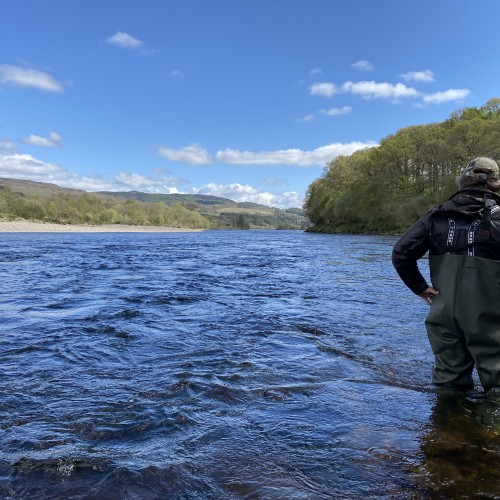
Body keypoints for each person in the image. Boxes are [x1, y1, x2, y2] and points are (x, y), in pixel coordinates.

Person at [392, 157, 500, 394]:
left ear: (463, 180)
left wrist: (419, 287)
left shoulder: (436, 216)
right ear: (495, 182)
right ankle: (485, 430)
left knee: (448, 382)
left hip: (443, 313)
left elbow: (401, 253)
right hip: (490, 317)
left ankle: (446, 425)